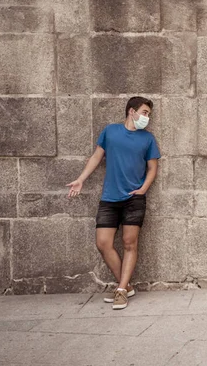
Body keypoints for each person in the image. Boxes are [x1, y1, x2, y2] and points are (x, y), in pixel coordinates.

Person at [66, 96, 160, 309]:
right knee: (103, 243)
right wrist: (81, 179)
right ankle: (126, 286)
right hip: (110, 198)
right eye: (145, 112)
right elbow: (96, 157)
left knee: (129, 243)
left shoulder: (148, 139)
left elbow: (152, 168)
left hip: (134, 199)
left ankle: (120, 290)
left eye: (149, 115)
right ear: (131, 111)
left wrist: (143, 190)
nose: (147, 117)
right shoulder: (111, 131)